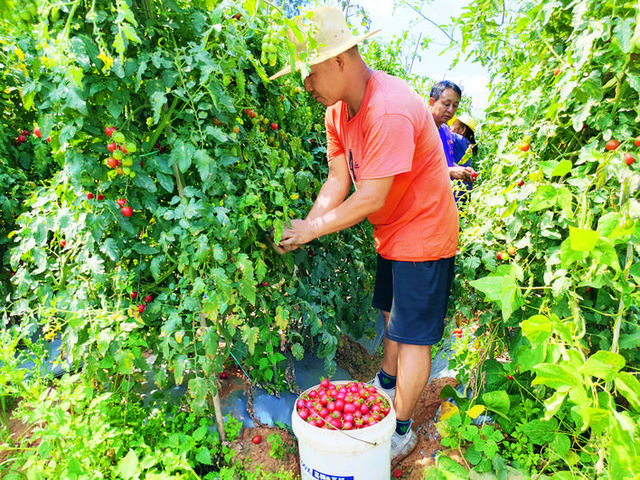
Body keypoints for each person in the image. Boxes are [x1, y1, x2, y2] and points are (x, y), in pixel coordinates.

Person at [270, 7, 459, 466]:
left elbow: (371, 196)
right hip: (392, 232)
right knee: (394, 315)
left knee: (414, 337)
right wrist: (305, 228)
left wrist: (313, 229)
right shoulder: (339, 112)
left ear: (339, 61)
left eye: (310, 74)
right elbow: (338, 180)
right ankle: (387, 385)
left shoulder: (388, 107)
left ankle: (401, 430)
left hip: (425, 230)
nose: (307, 86)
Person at [428, 81, 476, 185]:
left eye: (455, 105)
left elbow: (447, 162)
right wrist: (449, 171)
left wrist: (461, 170)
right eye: (446, 104)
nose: (450, 110)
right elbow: (413, 168)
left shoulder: (446, 131)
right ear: (432, 102)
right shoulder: (419, 127)